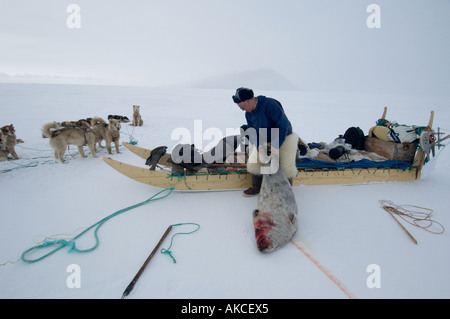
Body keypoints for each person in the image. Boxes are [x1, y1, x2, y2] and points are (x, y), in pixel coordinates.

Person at [232, 87, 298, 197]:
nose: (242, 110)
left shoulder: (270, 105)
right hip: (265, 137)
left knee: (286, 165)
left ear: (247, 101)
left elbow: (283, 126)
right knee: (255, 161)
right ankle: (256, 187)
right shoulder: (248, 114)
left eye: (241, 107)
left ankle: (286, 191)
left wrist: (275, 146)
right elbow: (252, 131)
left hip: (284, 136)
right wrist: (258, 145)